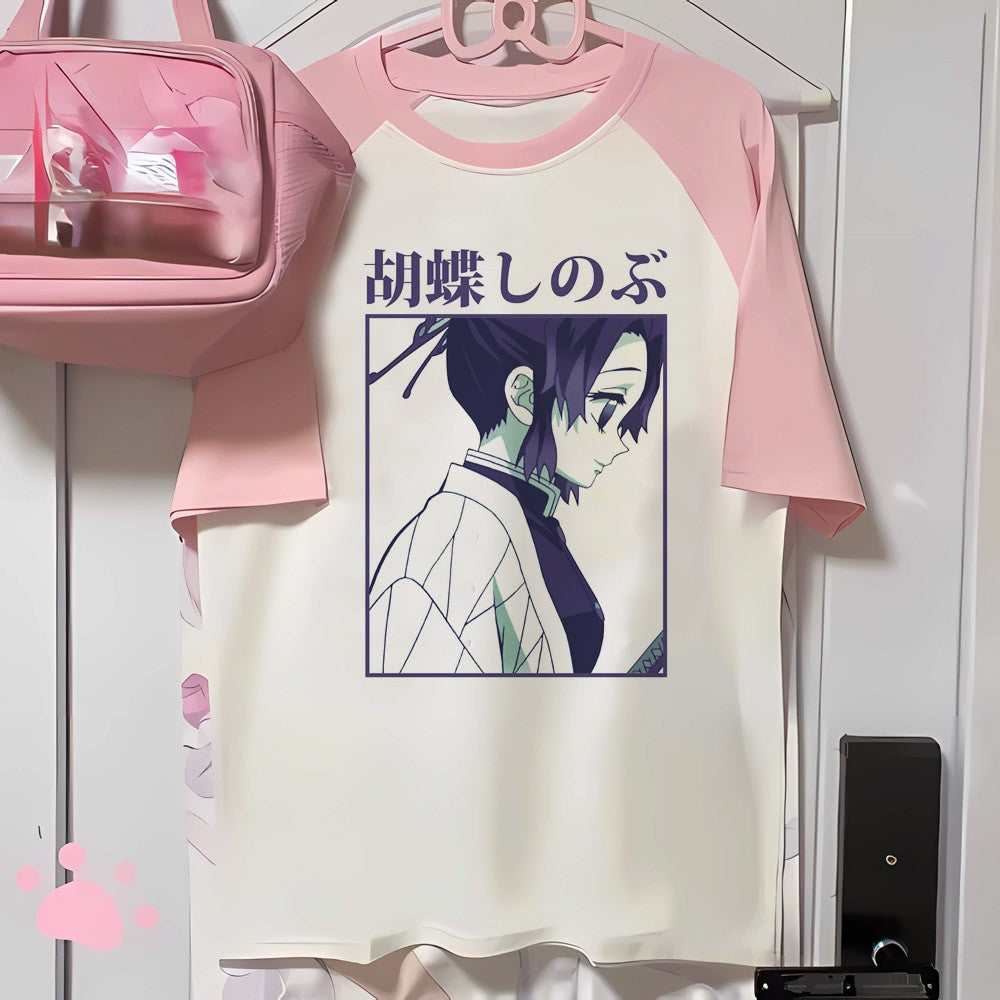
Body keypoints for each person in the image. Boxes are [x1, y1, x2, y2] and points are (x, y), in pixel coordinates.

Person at [368, 313, 664, 675]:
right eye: (608, 405)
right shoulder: (447, 543)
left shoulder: (531, 525)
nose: (621, 442)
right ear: (524, 394)